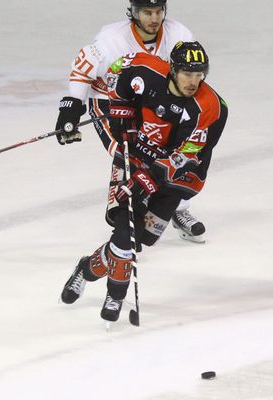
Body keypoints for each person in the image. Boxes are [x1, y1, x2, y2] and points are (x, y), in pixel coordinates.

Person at [60, 41, 228, 322]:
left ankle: (85, 268)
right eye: (187, 73)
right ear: (173, 70)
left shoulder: (209, 107)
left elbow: (186, 155)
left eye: (200, 75)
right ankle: (116, 296)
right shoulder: (145, 69)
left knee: (141, 240)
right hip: (134, 158)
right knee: (125, 232)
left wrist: (147, 180)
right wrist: (122, 110)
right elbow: (116, 72)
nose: (193, 81)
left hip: (176, 177)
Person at [54, 0, 207, 243]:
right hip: (110, 100)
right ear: (134, 13)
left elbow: (191, 70)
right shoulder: (111, 39)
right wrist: (72, 106)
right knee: (127, 154)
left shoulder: (179, 34)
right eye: (147, 12)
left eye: (158, 12)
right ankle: (124, 220)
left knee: (174, 152)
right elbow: (83, 69)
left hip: (149, 100)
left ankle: (177, 209)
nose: (154, 19)